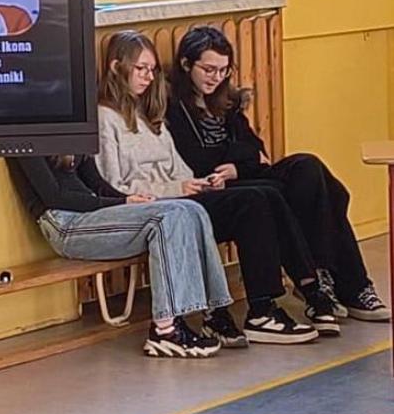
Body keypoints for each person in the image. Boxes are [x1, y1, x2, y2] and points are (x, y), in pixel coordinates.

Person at [96, 30, 338, 344]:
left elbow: (179, 167)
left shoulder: (150, 114)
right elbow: (115, 184)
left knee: (268, 194)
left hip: (183, 197)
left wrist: (199, 183)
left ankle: (305, 289)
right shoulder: (105, 118)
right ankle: (264, 310)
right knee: (253, 201)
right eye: (140, 68)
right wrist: (177, 187)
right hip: (156, 205)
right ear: (117, 68)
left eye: (152, 69)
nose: (148, 77)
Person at [167, 25, 390, 322]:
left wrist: (237, 165)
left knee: (309, 168)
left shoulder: (225, 101)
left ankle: (334, 278)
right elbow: (197, 160)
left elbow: (258, 152)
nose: (216, 77)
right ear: (186, 64)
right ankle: (340, 283)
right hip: (219, 188)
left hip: (242, 175)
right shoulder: (174, 107)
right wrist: (239, 159)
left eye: (223, 70)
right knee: (313, 197)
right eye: (208, 69)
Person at [8, 154, 229, 358]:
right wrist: (121, 204)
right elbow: (55, 198)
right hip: (64, 223)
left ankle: (215, 313)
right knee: (168, 217)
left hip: (93, 213)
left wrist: (131, 199)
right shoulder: (25, 135)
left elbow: (97, 184)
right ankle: (165, 332)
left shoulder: (73, 132)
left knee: (192, 209)